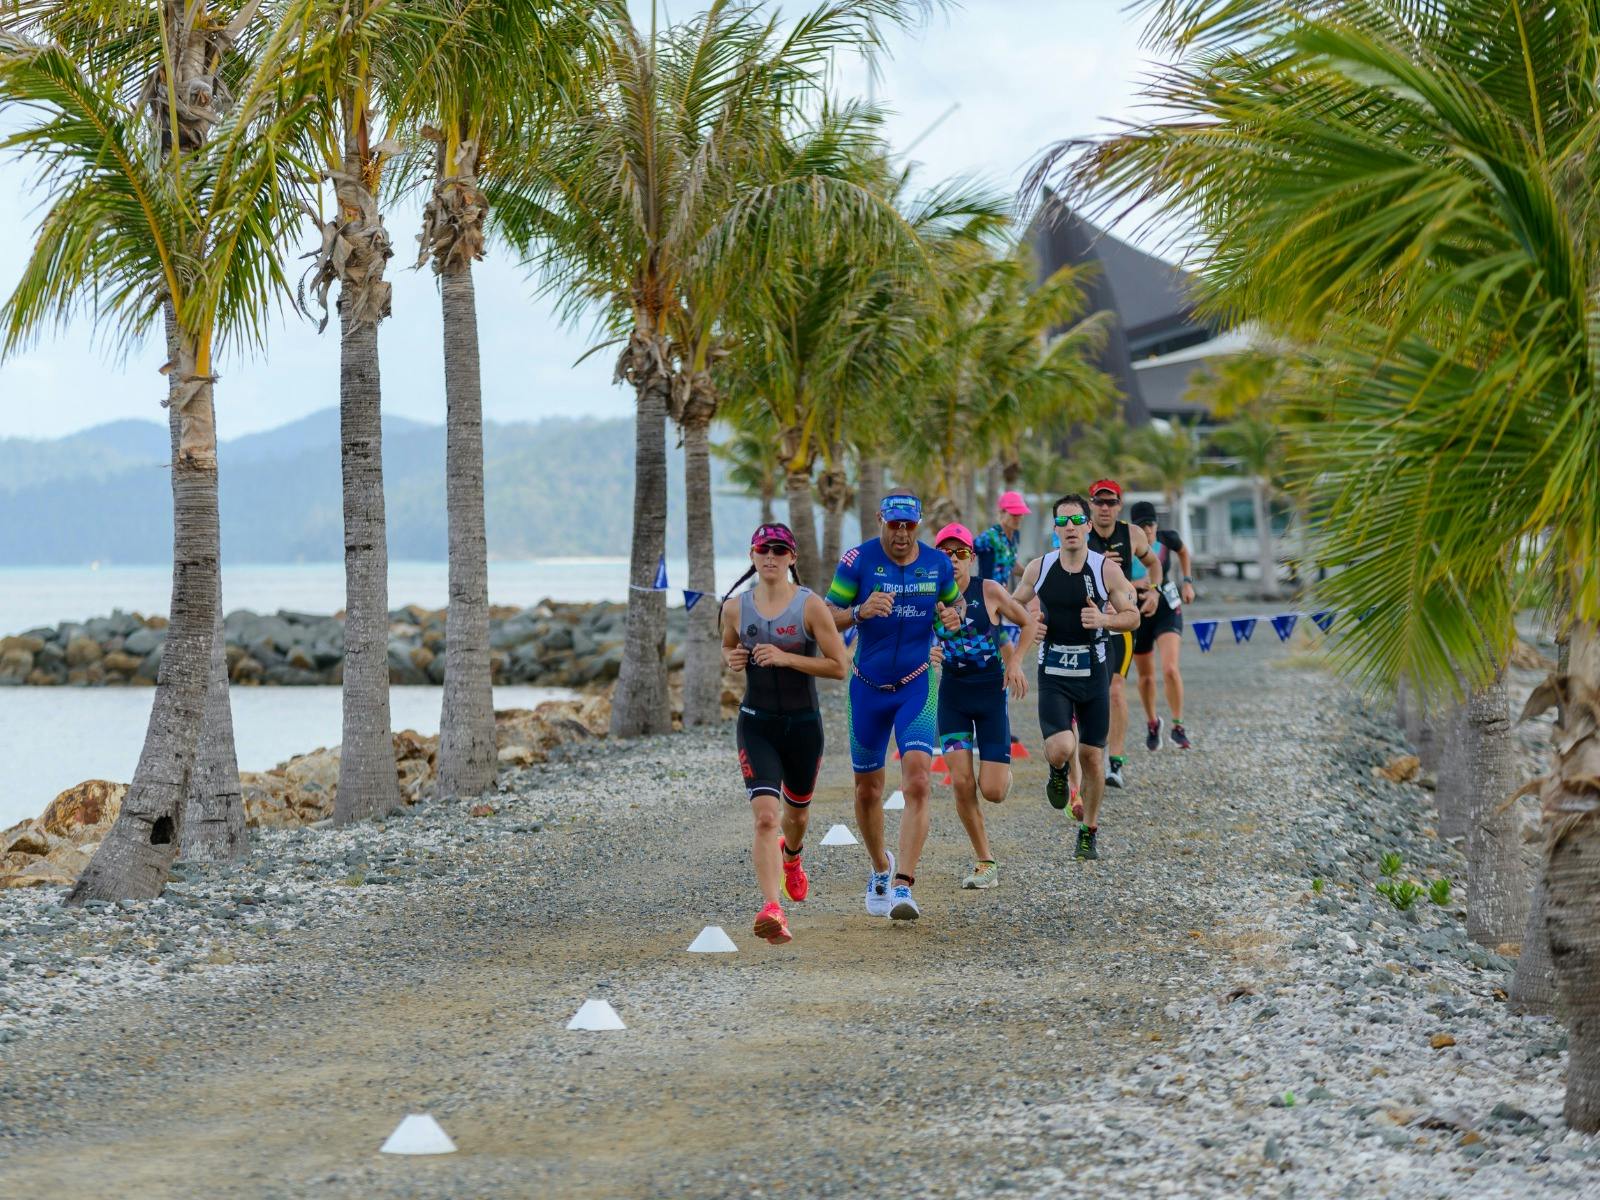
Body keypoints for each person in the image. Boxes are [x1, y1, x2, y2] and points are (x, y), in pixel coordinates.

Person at [826, 493, 961, 920]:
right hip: (867, 688)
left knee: (918, 780)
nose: (901, 534)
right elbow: (826, 615)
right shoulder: (857, 561)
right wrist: (860, 612)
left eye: (909, 526)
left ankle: (904, 885)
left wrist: (952, 619)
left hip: (916, 685)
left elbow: (953, 605)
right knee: (868, 790)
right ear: (880, 521)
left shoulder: (937, 564)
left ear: (918, 525)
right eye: (893, 525)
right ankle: (881, 869)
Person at [721, 523, 850, 945]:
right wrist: (734, 657)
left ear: (792, 557)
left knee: (795, 817)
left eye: (779, 549)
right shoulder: (736, 609)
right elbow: (727, 646)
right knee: (765, 817)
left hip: (803, 726)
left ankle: (792, 858)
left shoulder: (810, 606)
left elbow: (838, 666)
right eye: (763, 549)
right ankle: (771, 908)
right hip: (756, 723)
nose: (770, 556)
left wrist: (786, 658)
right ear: (753, 555)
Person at [1013, 494, 1140, 860]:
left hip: (1095, 670)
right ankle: (1056, 772)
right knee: (1062, 748)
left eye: (1076, 521)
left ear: (1087, 526)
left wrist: (1105, 620)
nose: (1070, 528)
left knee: (1092, 758)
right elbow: (1011, 605)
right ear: (1055, 529)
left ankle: (1089, 830)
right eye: (1063, 522)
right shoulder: (1040, 567)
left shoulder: (1105, 570)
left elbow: (1132, 616)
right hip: (1053, 668)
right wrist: (1029, 623)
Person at [931, 522, 1037, 889]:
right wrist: (925, 654)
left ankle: (1001, 772)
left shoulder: (988, 591)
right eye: (945, 554)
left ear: (971, 559)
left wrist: (1016, 661)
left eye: (960, 553)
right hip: (953, 697)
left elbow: (1028, 623)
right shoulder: (929, 598)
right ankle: (985, 861)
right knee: (961, 783)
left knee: (991, 790)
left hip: (991, 694)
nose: (953, 560)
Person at [1084, 479, 1161, 790]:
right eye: (1099, 502)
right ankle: (1084, 760)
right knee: (1085, 694)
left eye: (1111, 502)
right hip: (1085, 623)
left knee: (1116, 691)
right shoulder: (1078, 531)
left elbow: (1154, 563)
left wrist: (1153, 590)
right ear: (1091, 504)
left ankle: (1115, 764)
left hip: (1118, 624)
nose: (1105, 508)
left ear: (1119, 505)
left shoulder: (1133, 534)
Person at [1129, 501, 1195, 751]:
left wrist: (1187, 581)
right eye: (1141, 526)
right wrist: (1138, 583)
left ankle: (1178, 727)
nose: (1147, 530)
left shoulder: (1168, 539)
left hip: (1167, 607)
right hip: (1138, 611)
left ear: (1157, 524)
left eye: (1150, 525)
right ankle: (1152, 722)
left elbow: (1184, 552)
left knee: (1170, 668)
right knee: (1146, 677)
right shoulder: (1126, 545)